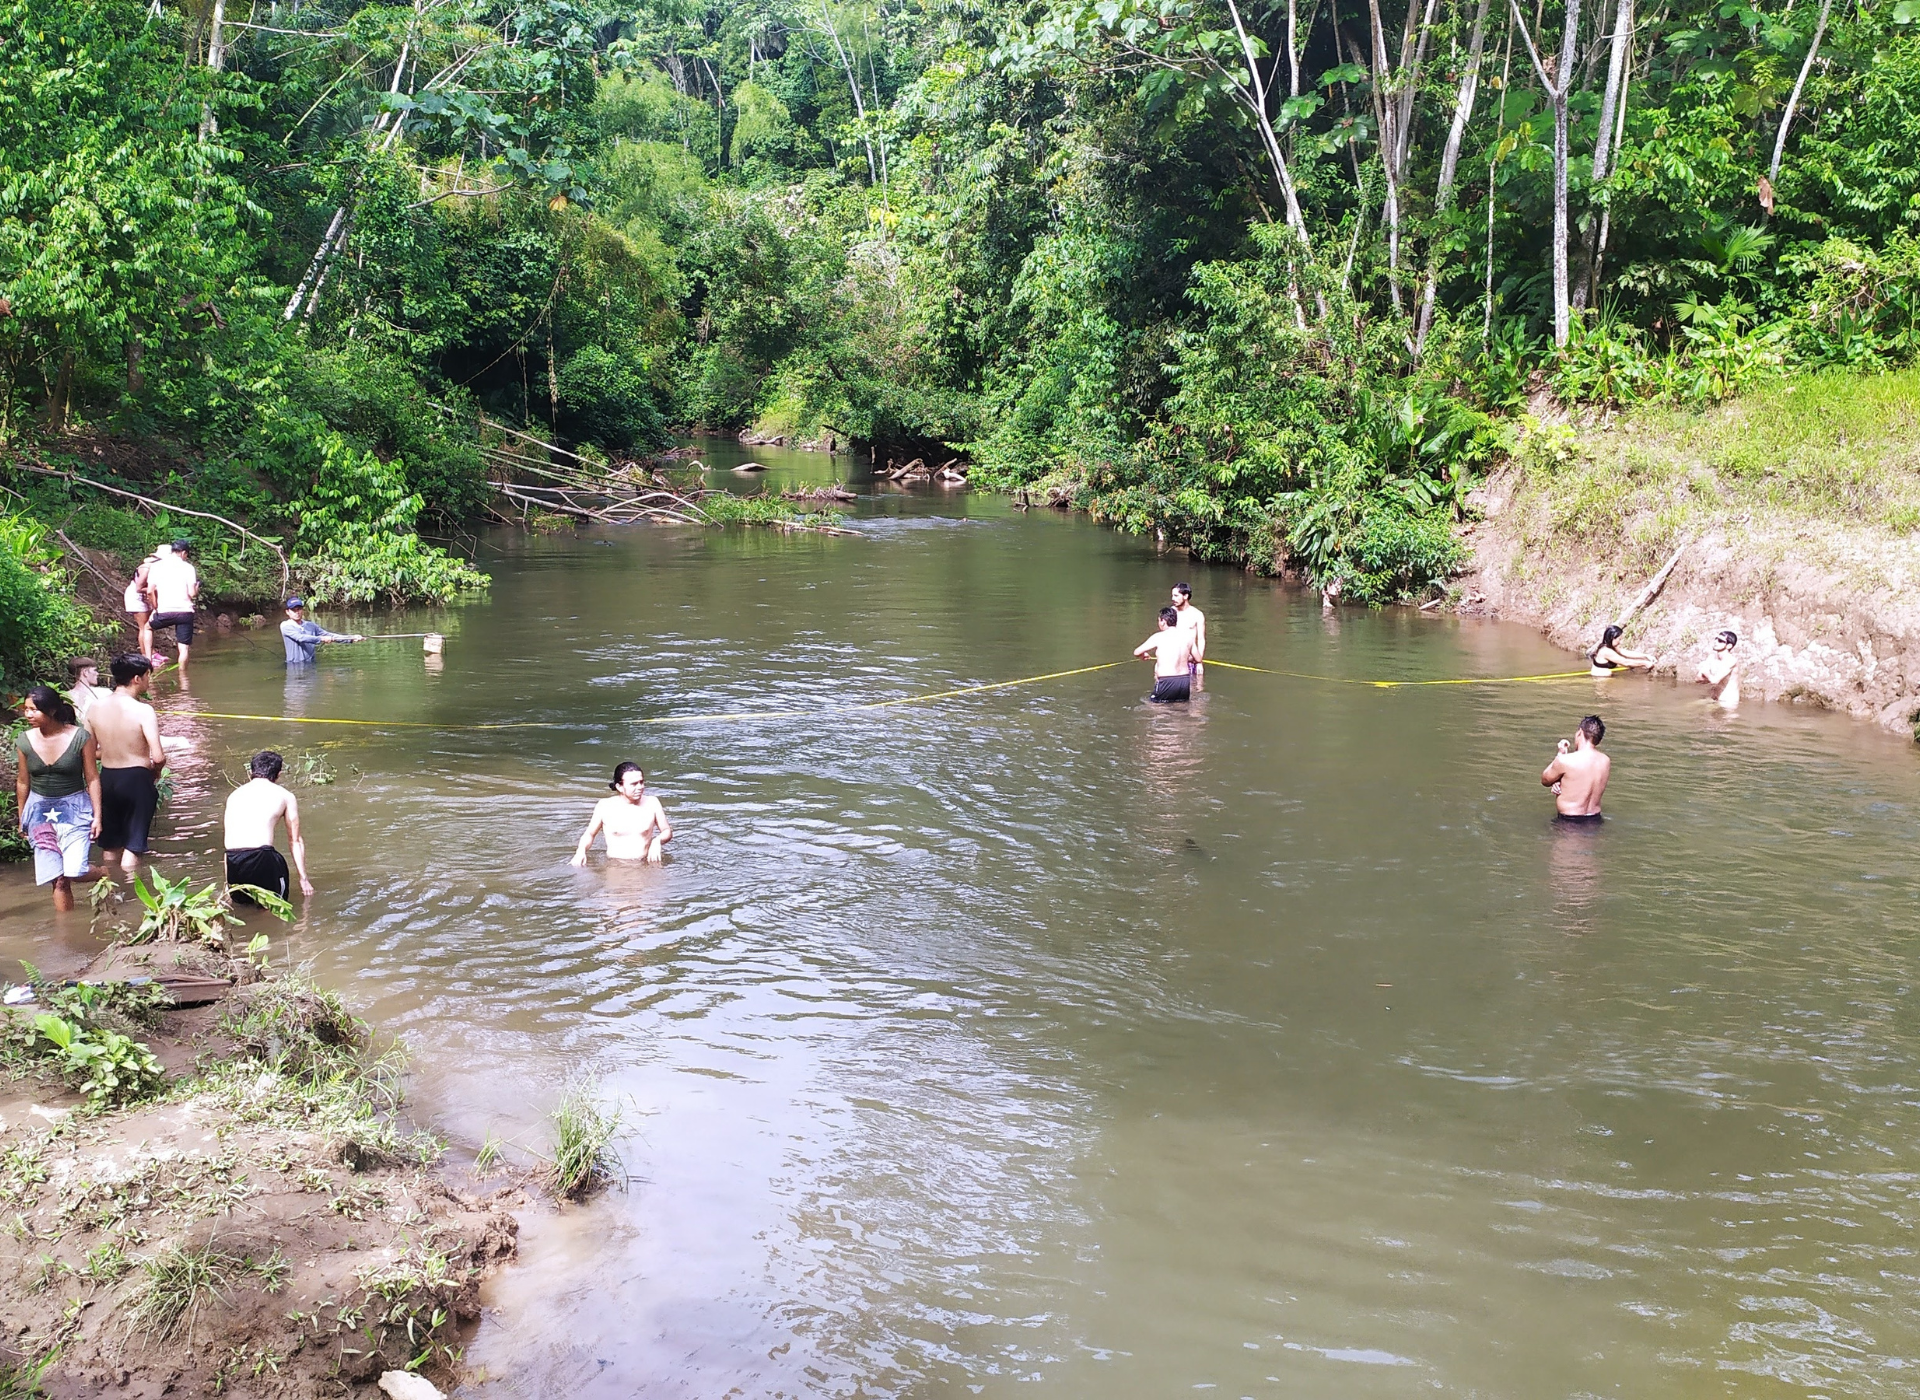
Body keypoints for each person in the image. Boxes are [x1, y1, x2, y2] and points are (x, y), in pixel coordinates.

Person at [13, 686, 100, 911]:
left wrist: (97, 816)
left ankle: (103, 873)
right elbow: (23, 781)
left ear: (51, 711)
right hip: (40, 809)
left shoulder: (80, 737)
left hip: (74, 807)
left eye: (34, 710)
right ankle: (65, 936)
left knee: (75, 871)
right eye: (26, 709)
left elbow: (92, 778)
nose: (28, 715)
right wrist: (22, 816)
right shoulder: (24, 741)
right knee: (58, 878)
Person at [89, 653, 167, 873]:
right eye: (147, 676)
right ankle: (130, 891)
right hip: (136, 778)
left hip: (107, 778)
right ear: (137, 678)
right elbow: (158, 756)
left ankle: (112, 887)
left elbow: (89, 751)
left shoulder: (95, 708)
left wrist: (111, 751)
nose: (148, 681)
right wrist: (155, 772)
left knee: (110, 843)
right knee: (134, 844)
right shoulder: (143, 710)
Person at [223, 750, 312, 901]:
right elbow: (294, 840)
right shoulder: (285, 796)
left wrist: (227, 883)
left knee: (244, 910)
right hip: (262, 857)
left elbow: (229, 843)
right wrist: (303, 879)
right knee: (276, 909)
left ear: (251, 771)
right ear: (279, 774)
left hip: (233, 860)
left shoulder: (234, 795)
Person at [571, 762, 674, 865]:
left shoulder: (652, 803)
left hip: (645, 865)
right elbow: (589, 834)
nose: (640, 787)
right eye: (634, 784)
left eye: (641, 782)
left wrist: (657, 841)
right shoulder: (605, 806)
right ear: (619, 787)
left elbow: (667, 831)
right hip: (615, 866)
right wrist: (580, 851)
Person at [145, 539, 199, 676]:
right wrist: (196, 588)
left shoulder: (157, 566)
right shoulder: (188, 568)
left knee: (147, 627)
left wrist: (155, 608)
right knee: (184, 648)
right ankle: (183, 677)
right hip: (185, 612)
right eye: (187, 555)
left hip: (164, 611)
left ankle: (147, 660)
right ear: (183, 553)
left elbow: (150, 591)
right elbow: (192, 594)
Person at [1541, 714, 1610, 821]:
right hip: (1595, 819)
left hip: (1569, 822)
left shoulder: (1566, 760)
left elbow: (1545, 780)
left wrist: (1560, 754)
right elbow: (1580, 781)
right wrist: (1560, 781)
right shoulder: (1605, 761)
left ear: (1579, 733)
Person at [1134, 605, 1200, 703]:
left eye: (1159, 621)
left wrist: (1144, 655)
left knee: (1155, 708)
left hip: (1166, 680)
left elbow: (1137, 652)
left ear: (1163, 621)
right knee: (1181, 709)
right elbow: (1198, 659)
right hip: (1184, 681)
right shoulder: (1188, 637)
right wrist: (1185, 658)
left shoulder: (1158, 637)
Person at [279, 598, 363, 665]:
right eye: (294, 610)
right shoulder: (285, 626)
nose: (297, 612)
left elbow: (329, 635)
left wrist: (351, 638)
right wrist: (321, 639)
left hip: (311, 664)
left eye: (299, 609)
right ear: (287, 612)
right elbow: (301, 638)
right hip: (293, 665)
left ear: (302, 610)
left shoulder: (311, 625)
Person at [123, 544, 167, 660]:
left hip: (145, 596)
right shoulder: (147, 568)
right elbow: (138, 587)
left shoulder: (158, 568)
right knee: (144, 627)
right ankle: (145, 656)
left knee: (149, 626)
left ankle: (151, 652)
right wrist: (156, 590)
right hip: (136, 596)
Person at [1171, 583, 1207, 682]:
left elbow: (1201, 639)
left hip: (1191, 660)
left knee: (1194, 690)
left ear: (1186, 596)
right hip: (1173, 659)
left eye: (1176, 595)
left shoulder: (1197, 614)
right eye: (1172, 595)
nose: (1173, 598)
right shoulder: (1170, 613)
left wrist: (1199, 662)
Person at [1588, 624, 1654, 677]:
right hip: (1601, 680)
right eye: (1619, 639)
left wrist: (1645, 656)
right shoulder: (1606, 651)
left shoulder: (1609, 646)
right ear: (1612, 638)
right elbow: (1625, 662)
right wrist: (1644, 663)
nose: (1620, 642)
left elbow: (1624, 652)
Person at [1697, 629, 1740, 708]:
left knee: (1713, 720)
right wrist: (1707, 676)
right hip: (1713, 698)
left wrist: (1706, 673)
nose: (1716, 642)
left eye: (1720, 640)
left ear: (1729, 646)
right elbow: (1698, 678)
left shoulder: (1731, 660)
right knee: (1687, 708)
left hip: (1728, 701)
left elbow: (1714, 681)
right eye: (1716, 639)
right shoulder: (1711, 657)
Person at [66, 657, 108, 723]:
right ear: (85, 672)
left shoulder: (65, 696)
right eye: (94, 670)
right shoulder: (104, 693)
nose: (97, 673)